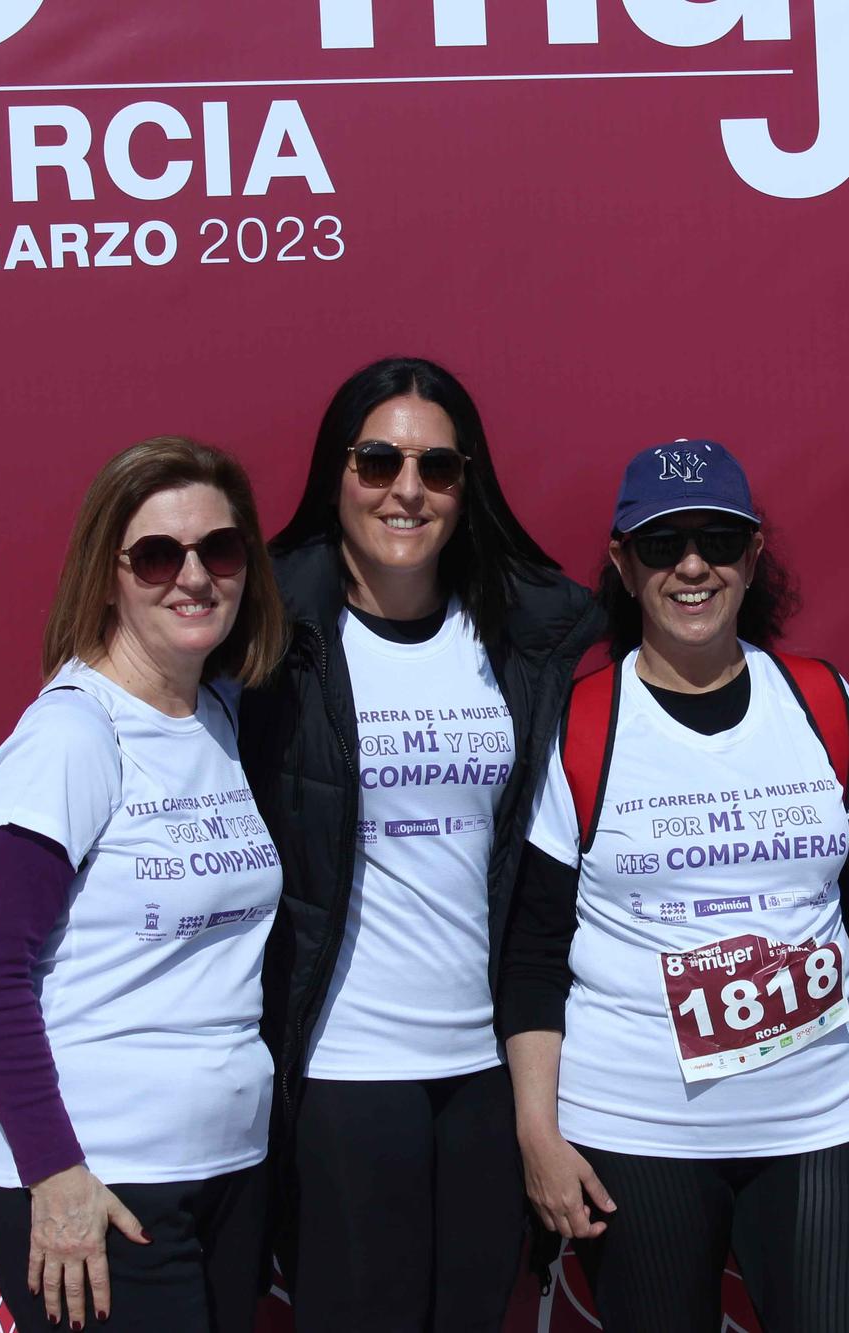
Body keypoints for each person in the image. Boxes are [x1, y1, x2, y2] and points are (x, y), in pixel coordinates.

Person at [498, 440, 849, 1333]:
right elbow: (533, 953)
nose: (691, 565)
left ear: (753, 558)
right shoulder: (581, 724)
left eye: (718, 540)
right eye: (661, 542)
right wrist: (536, 1131)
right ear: (621, 561)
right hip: (635, 1129)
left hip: (818, 1119)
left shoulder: (825, 701)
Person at [238, 356, 603, 1330]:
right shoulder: (267, 634)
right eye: (377, 460)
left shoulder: (529, 634)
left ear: (465, 483)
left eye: (436, 468)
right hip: (343, 1071)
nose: (407, 489)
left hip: (486, 1075)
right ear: (335, 472)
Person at [0, 437, 287, 1333]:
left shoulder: (216, 715)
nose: (193, 577)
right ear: (108, 576)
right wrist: (55, 1173)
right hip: (99, 1180)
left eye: (219, 550)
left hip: (222, 1167)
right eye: (156, 555)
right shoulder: (71, 736)